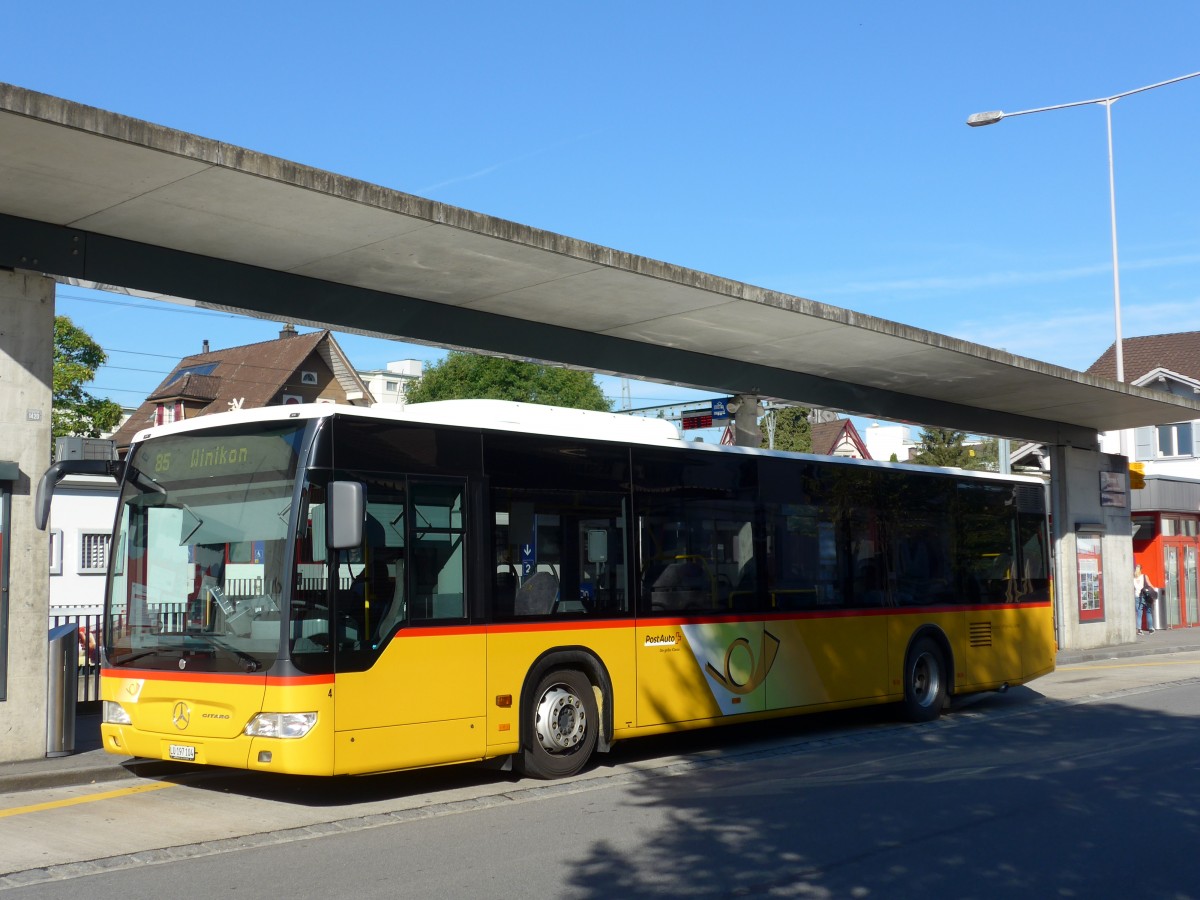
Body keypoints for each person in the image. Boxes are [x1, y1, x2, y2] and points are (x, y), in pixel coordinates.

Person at [1134, 564, 1157, 635]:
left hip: (1137, 596)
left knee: (1139, 613)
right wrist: (1155, 591)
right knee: (1148, 611)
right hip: (1145, 596)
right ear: (1141, 569)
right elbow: (1149, 585)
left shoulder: (1133, 578)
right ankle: (1150, 629)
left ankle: (1139, 630)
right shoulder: (1144, 576)